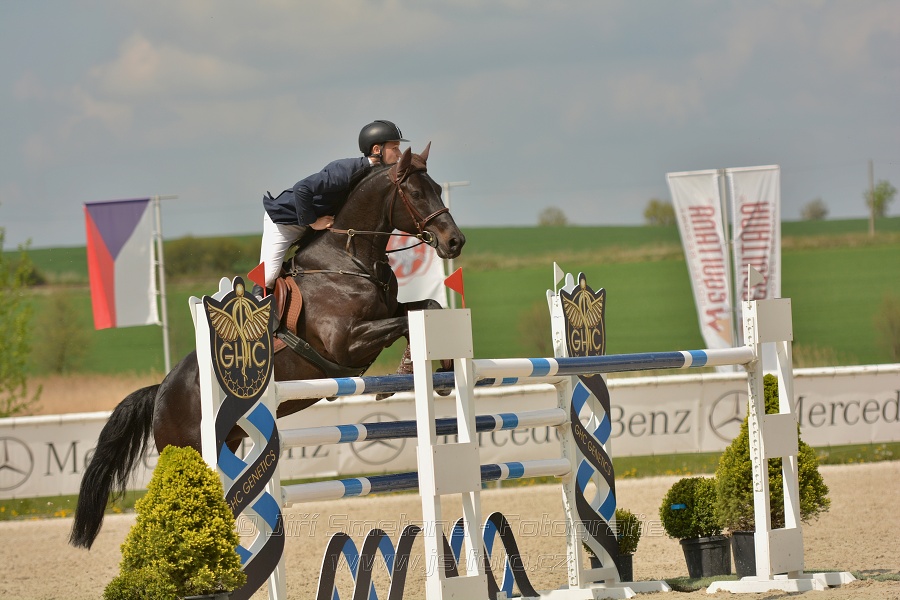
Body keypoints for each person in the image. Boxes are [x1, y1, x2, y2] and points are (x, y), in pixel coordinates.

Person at [256, 120, 408, 295]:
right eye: (395, 148)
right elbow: (301, 189)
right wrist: (313, 222)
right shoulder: (345, 170)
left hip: (320, 222)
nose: (399, 154)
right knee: (268, 277)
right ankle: (254, 305)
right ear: (376, 149)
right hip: (287, 219)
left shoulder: (374, 175)